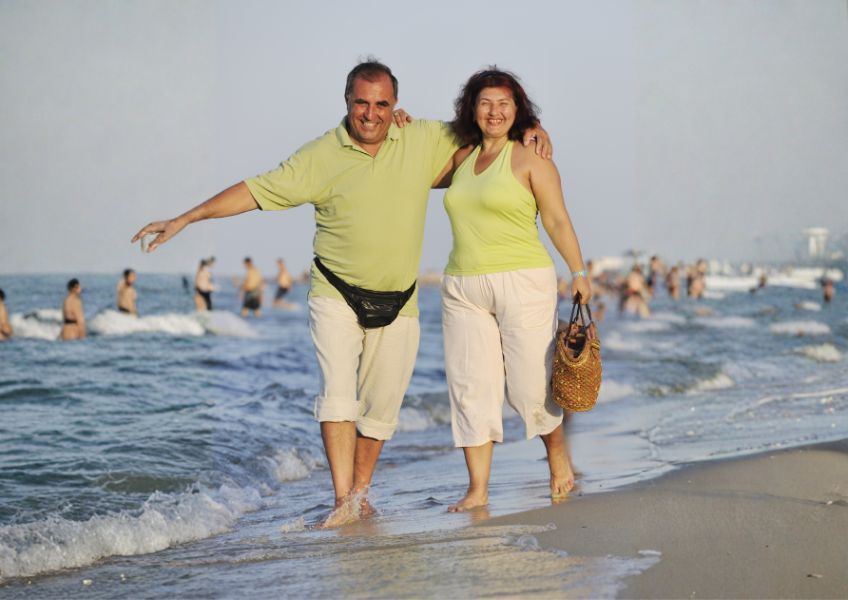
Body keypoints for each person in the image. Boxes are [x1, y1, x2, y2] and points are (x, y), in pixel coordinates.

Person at [131, 59, 552, 525]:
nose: (370, 114)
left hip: (399, 299)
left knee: (381, 407)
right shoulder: (320, 156)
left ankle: (360, 493)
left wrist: (533, 126)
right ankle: (342, 500)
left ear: (395, 107)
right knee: (337, 394)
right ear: (347, 101)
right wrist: (187, 218)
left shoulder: (422, 137)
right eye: (361, 103)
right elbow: (255, 190)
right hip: (335, 291)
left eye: (381, 104)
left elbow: (488, 125)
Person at [434, 68, 591, 511]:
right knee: (470, 388)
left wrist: (578, 272)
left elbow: (557, 219)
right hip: (463, 284)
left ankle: (557, 455)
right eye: (485, 103)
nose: (494, 111)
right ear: (472, 109)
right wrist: (403, 122)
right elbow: (418, 170)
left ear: (518, 109)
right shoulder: (462, 157)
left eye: (504, 103)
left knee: (528, 386)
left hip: (523, 280)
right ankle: (477, 489)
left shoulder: (529, 157)